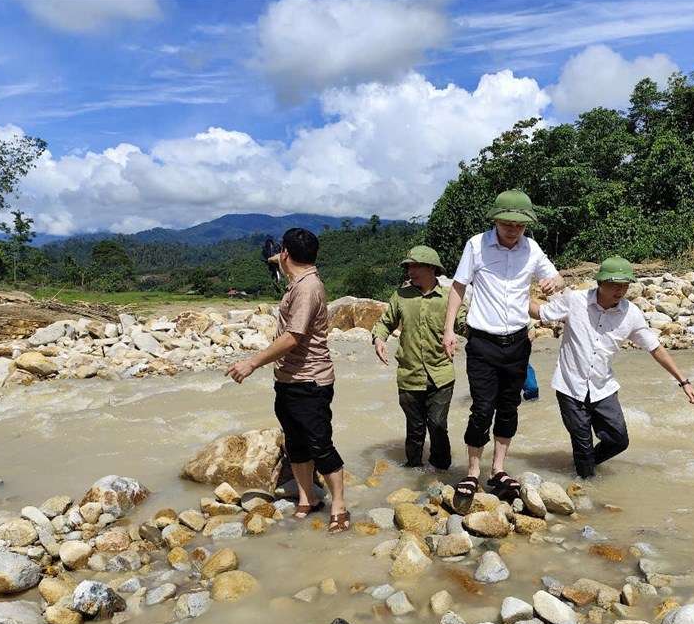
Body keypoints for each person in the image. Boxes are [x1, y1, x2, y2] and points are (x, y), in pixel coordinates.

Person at [443, 189, 563, 508]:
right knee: (482, 408)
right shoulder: (476, 245)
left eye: (519, 224)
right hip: (483, 342)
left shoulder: (532, 249)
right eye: (508, 223)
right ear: (496, 220)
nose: (513, 229)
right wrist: (448, 329)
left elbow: (556, 278)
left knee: (509, 407)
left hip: (518, 342)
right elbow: (458, 287)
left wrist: (555, 283)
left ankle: (497, 469)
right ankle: (471, 471)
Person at [226, 227, 350, 533]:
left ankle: (340, 506)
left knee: (320, 446)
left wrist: (251, 362)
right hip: (289, 379)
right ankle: (308, 499)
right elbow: (280, 259)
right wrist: (276, 259)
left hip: (310, 380)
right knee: (296, 443)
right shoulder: (299, 278)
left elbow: (293, 337)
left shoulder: (307, 289)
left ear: (286, 254)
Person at [530, 256, 694, 479]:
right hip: (570, 386)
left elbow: (655, 348)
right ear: (600, 283)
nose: (620, 291)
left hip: (603, 387)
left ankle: (583, 466)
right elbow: (541, 313)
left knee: (619, 440)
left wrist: (683, 381)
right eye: (615, 285)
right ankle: (585, 488)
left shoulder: (631, 314)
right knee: (582, 442)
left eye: (625, 286)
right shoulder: (575, 301)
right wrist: (510, 294)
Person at [371, 245, 464, 470]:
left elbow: (464, 322)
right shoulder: (401, 296)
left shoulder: (448, 298)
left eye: (416, 266)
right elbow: (385, 322)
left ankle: (442, 470)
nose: (410, 270)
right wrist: (379, 339)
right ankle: (413, 470)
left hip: (440, 373)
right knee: (414, 427)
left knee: (438, 424)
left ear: (432, 268)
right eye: (408, 266)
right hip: (409, 374)